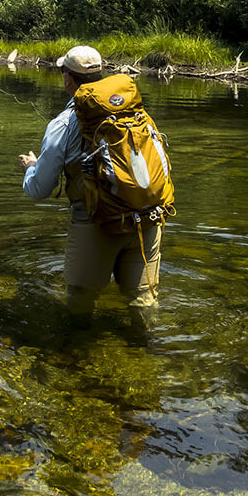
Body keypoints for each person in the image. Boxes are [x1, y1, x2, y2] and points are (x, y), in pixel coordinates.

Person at [18, 45, 163, 328]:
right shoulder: (135, 113)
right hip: (147, 218)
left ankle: (76, 357)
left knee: (80, 301)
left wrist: (31, 168)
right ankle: (150, 351)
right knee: (144, 299)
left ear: (68, 78)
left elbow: (38, 190)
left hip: (96, 224)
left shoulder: (62, 124)